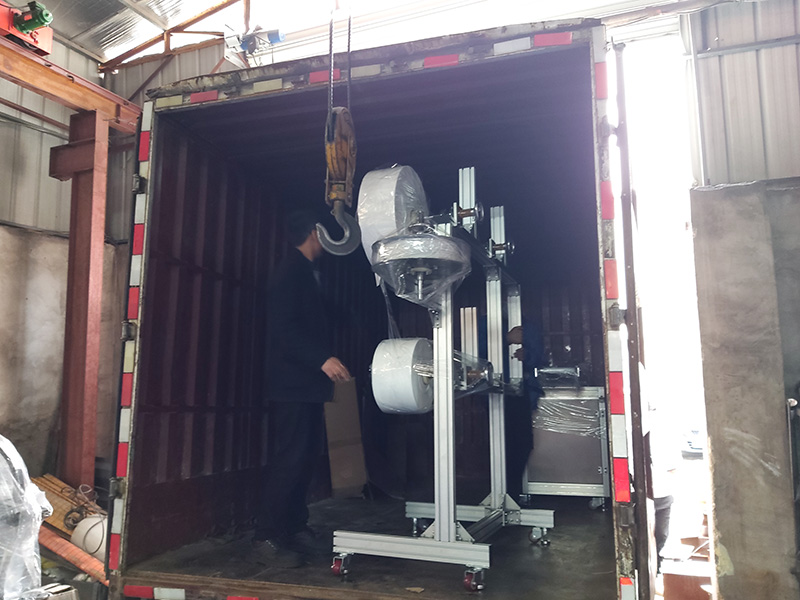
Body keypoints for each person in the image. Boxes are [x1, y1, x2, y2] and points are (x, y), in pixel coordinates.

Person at [252, 210, 351, 568]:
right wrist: (322, 359)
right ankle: (266, 536)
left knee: (306, 457)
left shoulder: (307, 272)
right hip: (291, 385)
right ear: (314, 233)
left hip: (307, 386)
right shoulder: (289, 272)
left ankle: (295, 526)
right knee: (290, 458)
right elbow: (284, 330)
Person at [504, 321, 545, 501]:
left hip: (521, 393)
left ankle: (512, 492)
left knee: (522, 443)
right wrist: (506, 339)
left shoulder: (530, 327)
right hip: (494, 393)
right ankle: (504, 491)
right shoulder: (484, 323)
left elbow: (540, 358)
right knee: (501, 445)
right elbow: (475, 355)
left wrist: (527, 356)